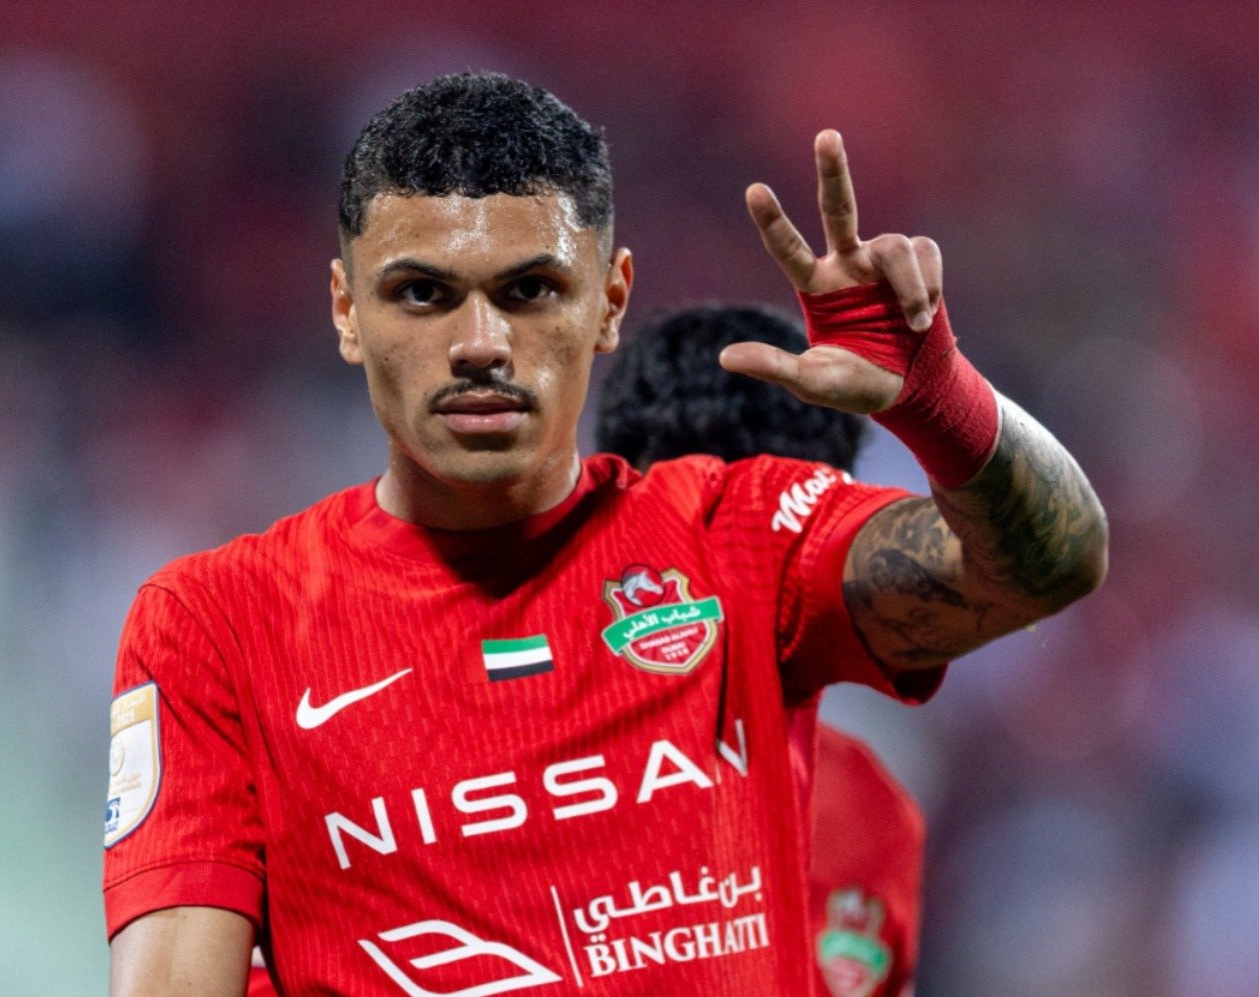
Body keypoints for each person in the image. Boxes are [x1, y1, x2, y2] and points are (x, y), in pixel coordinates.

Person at [103, 72, 1107, 995]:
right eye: (422, 293)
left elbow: (1049, 566)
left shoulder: (737, 540)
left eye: (529, 289)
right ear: (346, 310)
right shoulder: (215, 623)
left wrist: (942, 401)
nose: (480, 344)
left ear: (609, 301)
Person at [597, 304, 926, 997]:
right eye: (699, 525)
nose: (737, 577)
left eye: (782, 538)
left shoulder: (869, 811)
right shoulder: (491, 764)